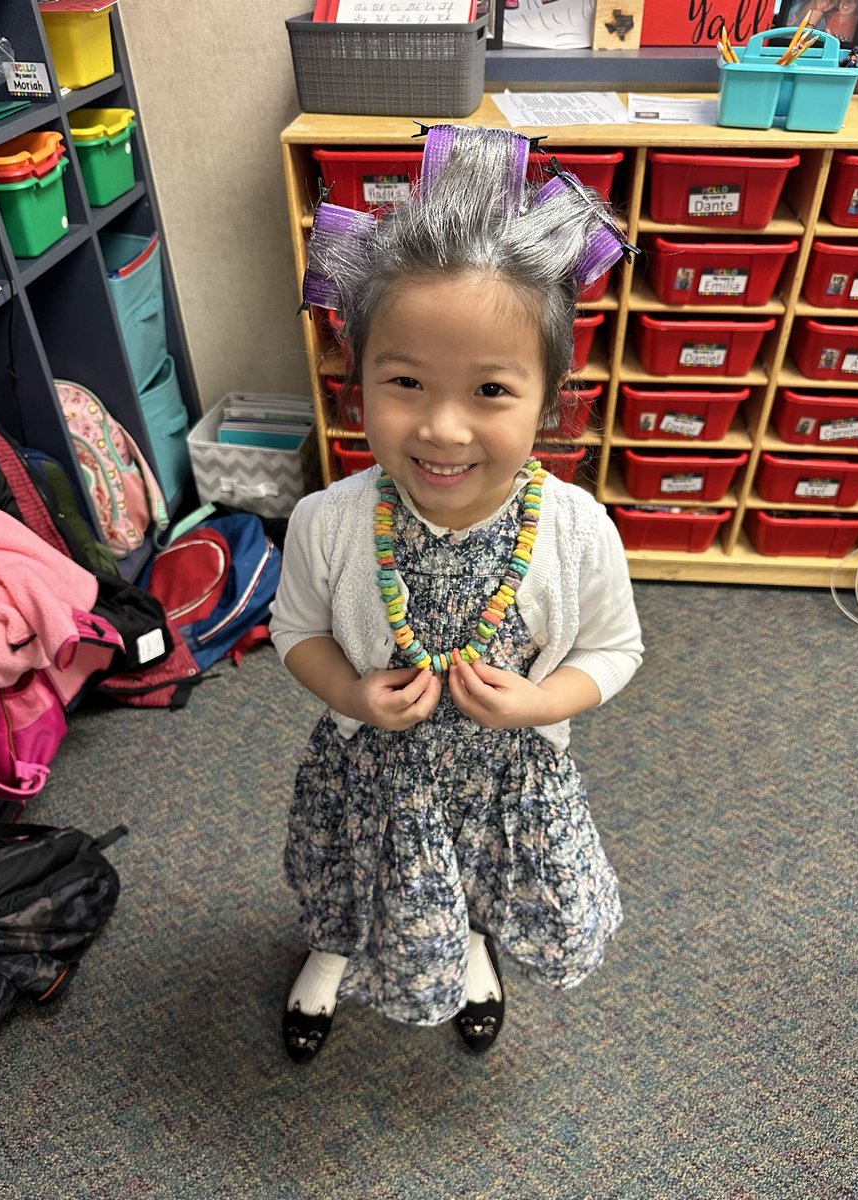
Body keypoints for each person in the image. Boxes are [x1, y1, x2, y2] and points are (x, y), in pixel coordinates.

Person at [270, 124, 644, 1064]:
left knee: (475, 875)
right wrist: (350, 694)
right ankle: (330, 949)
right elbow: (297, 633)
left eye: (489, 390)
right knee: (353, 874)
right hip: (374, 769)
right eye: (404, 382)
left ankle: (474, 946)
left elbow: (614, 650)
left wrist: (542, 701)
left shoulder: (575, 530)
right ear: (355, 384)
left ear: (548, 397)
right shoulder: (328, 520)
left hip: (503, 773)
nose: (441, 428)